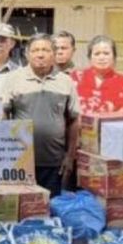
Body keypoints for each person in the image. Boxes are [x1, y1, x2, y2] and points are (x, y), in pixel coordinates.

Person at [6, 34, 81, 198]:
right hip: (20, 162)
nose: (40, 54)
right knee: (24, 211)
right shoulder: (13, 79)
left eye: (45, 50)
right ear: (27, 54)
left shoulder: (65, 82)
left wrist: (70, 156)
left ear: (53, 54)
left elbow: (74, 120)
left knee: (50, 209)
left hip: (54, 162)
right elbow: (2, 116)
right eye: (35, 50)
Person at [75, 34, 123, 114]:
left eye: (106, 53)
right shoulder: (76, 78)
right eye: (97, 54)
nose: (102, 58)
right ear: (89, 57)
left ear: (114, 57)